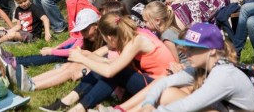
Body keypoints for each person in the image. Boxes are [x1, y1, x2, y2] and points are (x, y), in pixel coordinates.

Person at [39, 12, 176, 112]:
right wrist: (89, 57)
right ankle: (69, 101)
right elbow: (112, 62)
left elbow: (111, 71)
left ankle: (78, 107)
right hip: (152, 81)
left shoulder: (137, 41)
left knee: (115, 72)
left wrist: (83, 59)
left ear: (110, 38)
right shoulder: (131, 35)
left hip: (161, 87)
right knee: (110, 68)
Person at [138, 23, 254, 112]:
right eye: (187, 48)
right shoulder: (205, 68)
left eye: (193, 48)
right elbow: (164, 82)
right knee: (168, 93)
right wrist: (148, 103)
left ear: (212, 50)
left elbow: (187, 106)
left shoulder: (223, 75)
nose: (187, 53)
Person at [0, 8, 105, 92]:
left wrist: (52, 51)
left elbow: (73, 52)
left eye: (85, 30)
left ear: (96, 25)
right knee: (58, 60)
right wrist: (56, 48)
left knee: (63, 64)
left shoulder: (105, 40)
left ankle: (22, 72)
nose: (84, 34)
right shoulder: (85, 38)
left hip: (88, 64)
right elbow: (75, 40)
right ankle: (28, 80)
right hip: (81, 60)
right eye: (81, 30)